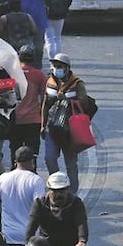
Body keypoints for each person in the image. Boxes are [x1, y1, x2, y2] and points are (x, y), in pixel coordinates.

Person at [41, 53, 92, 190]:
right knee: (49, 158)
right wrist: (42, 125)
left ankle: (73, 193)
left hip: (70, 129)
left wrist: (67, 100)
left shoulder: (77, 83)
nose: (57, 69)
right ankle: (57, 184)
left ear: (67, 68)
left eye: (60, 66)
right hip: (52, 127)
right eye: (55, 66)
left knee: (71, 164)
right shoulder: (50, 82)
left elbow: (84, 103)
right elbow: (45, 104)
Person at [0, 146, 44, 246]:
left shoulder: (3, 178)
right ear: (32, 161)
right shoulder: (35, 180)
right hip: (29, 235)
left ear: (15, 161)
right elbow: (39, 205)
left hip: (8, 234)